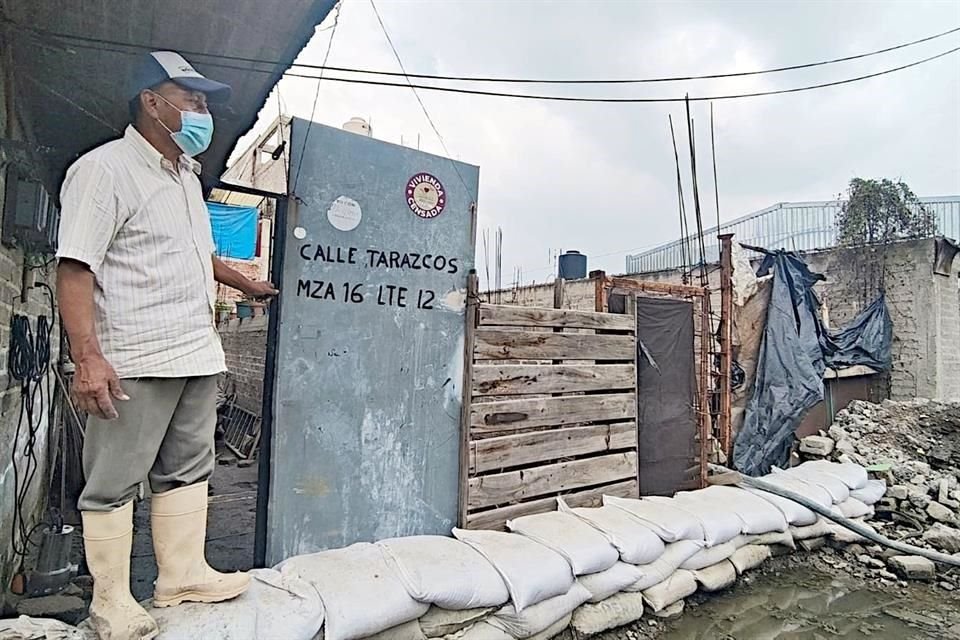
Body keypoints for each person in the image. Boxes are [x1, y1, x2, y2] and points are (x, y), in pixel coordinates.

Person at [56, 51, 278, 640]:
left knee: (188, 470)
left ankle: (180, 575)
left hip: (194, 351)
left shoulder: (183, 176)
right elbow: (75, 268)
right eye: (194, 99)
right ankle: (110, 601)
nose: (204, 111)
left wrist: (244, 282)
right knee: (114, 479)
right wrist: (88, 357)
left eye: (205, 101)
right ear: (152, 102)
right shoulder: (104, 171)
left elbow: (191, 254)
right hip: (134, 356)